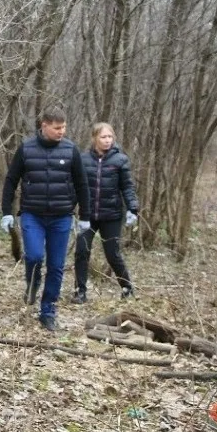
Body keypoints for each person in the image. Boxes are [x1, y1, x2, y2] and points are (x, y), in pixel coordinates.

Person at [0, 107, 91, 332]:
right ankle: (32, 282)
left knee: (56, 265)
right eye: (57, 128)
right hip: (33, 214)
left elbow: (82, 184)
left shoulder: (71, 150)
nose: (62, 131)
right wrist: (7, 212)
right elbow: (11, 180)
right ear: (44, 126)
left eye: (64, 128)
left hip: (61, 217)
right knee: (34, 256)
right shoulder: (27, 149)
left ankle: (48, 310)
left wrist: (85, 216)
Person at [72, 123, 139, 304]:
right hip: (87, 215)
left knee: (112, 254)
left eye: (110, 137)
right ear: (94, 138)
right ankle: (80, 291)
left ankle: (127, 287)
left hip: (111, 215)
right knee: (81, 251)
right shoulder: (83, 159)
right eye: (103, 137)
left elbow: (127, 187)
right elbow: (75, 187)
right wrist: (69, 209)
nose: (107, 140)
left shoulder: (120, 160)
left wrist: (133, 208)